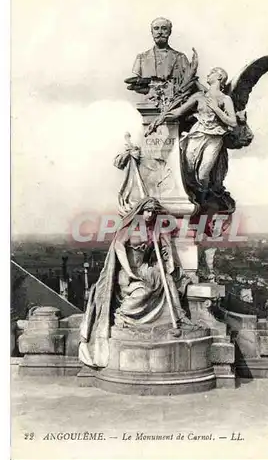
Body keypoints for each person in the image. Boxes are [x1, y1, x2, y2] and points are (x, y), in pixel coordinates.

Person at [79, 197, 192, 368]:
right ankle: (123, 316)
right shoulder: (131, 227)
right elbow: (118, 246)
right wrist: (130, 271)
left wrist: (166, 257)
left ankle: (179, 316)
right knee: (143, 291)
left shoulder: (153, 230)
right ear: (140, 211)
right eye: (147, 211)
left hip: (145, 268)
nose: (150, 215)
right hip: (128, 271)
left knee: (168, 280)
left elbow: (163, 249)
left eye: (153, 212)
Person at [165, 67, 237, 211]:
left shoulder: (225, 99)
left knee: (204, 173)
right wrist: (160, 117)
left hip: (214, 138)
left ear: (220, 77)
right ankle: (194, 198)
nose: (208, 74)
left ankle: (201, 202)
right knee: (188, 168)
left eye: (212, 72)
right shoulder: (199, 96)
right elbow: (178, 112)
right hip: (196, 134)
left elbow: (233, 122)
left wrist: (217, 109)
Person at [132, 17, 190, 88]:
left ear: (170, 32)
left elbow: (189, 82)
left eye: (164, 28)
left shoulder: (181, 58)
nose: (160, 32)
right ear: (152, 32)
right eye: (156, 28)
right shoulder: (141, 58)